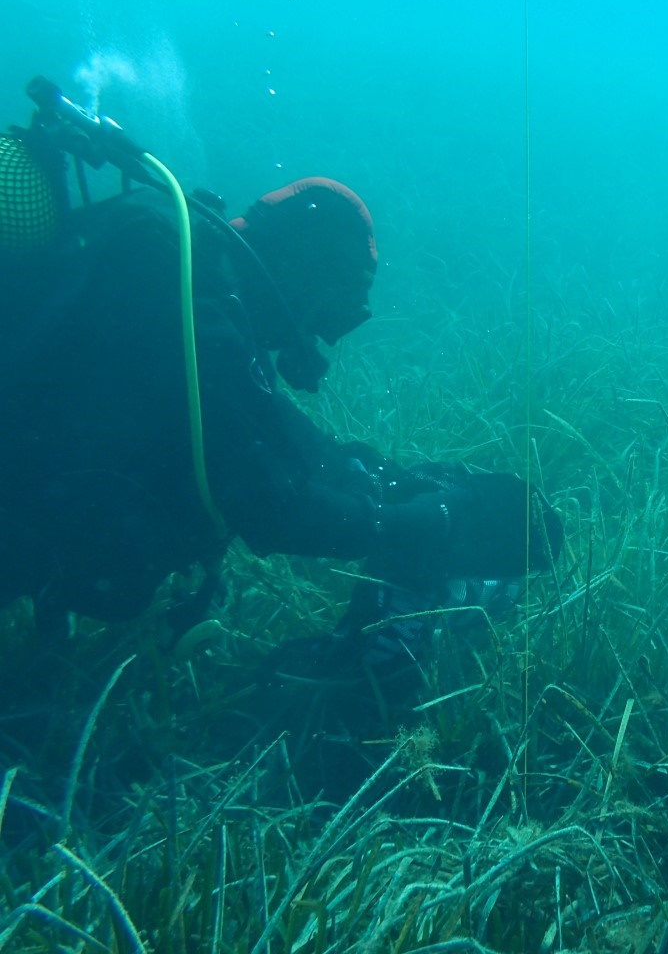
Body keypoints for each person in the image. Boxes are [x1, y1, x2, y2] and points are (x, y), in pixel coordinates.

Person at [0, 80, 562, 665]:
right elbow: (271, 507)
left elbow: (266, 423)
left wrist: (388, 479)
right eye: (331, 309)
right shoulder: (191, 301)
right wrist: (430, 524)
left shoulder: (191, 265)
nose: (320, 335)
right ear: (301, 267)